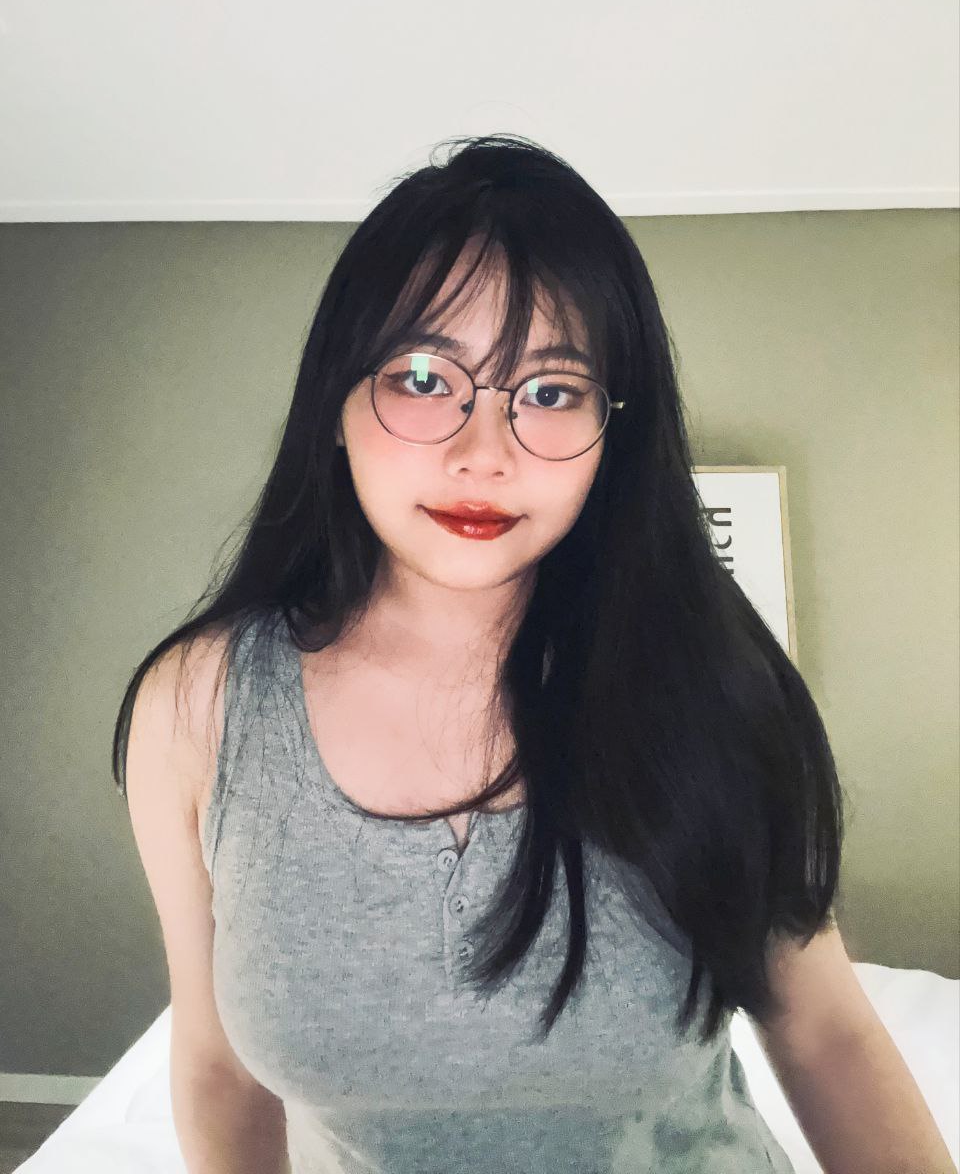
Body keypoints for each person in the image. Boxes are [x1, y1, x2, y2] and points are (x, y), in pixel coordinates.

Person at [117, 134, 839, 1172]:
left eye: (550, 391)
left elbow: (825, 1031)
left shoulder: (711, 680)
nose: (483, 454)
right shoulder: (199, 705)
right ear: (334, 404)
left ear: (611, 433)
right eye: (422, 376)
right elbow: (218, 1066)